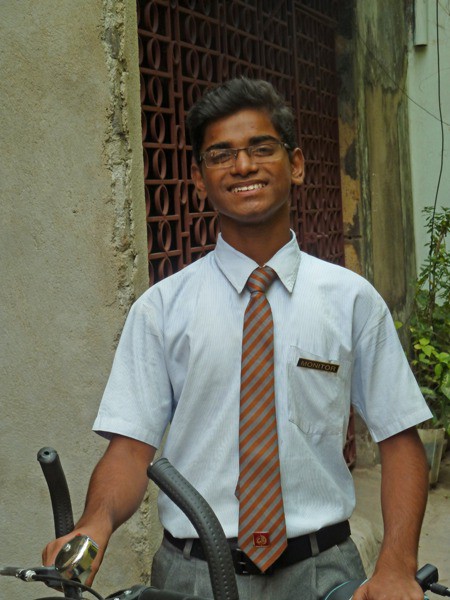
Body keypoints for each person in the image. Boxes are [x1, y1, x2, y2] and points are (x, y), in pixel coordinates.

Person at [43, 78, 432, 600]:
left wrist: (397, 566)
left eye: (261, 148)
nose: (243, 166)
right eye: (221, 154)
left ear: (296, 164)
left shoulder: (352, 300)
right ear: (199, 179)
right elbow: (130, 450)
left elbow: (399, 440)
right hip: (192, 577)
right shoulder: (161, 310)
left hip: (322, 573)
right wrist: (95, 524)